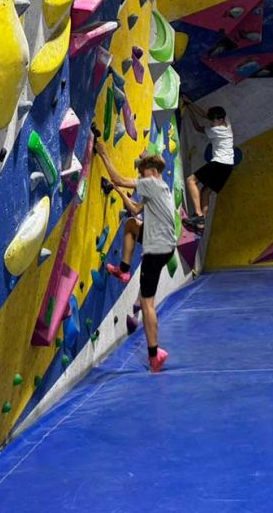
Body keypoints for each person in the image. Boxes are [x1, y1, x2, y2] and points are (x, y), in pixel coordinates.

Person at [95, 140, 173, 373]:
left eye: (143, 172)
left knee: (147, 303)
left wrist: (103, 154)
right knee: (131, 224)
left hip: (155, 248)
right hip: (165, 245)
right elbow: (136, 210)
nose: (140, 176)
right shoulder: (161, 189)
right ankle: (124, 269)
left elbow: (119, 178)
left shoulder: (152, 183)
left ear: (153, 172)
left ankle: (154, 355)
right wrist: (119, 192)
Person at [181, 98, 233, 232]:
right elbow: (205, 114)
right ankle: (201, 226)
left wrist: (190, 109)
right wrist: (190, 105)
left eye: (213, 121)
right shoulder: (226, 122)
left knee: (191, 181)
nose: (211, 123)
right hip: (228, 167)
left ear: (220, 120)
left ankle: (199, 216)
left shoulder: (216, 130)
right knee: (205, 193)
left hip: (219, 163)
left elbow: (198, 128)